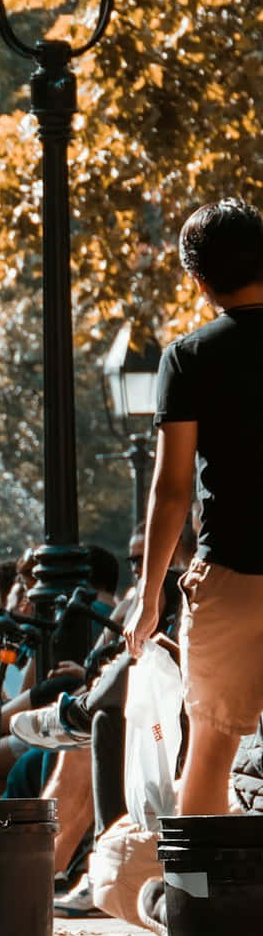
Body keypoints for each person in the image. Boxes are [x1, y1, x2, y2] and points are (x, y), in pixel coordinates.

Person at [128, 198, 263, 814]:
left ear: (198, 279)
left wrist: (149, 594)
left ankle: (200, 902)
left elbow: (172, 488)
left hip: (233, 574)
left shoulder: (188, 357)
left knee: (210, 745)